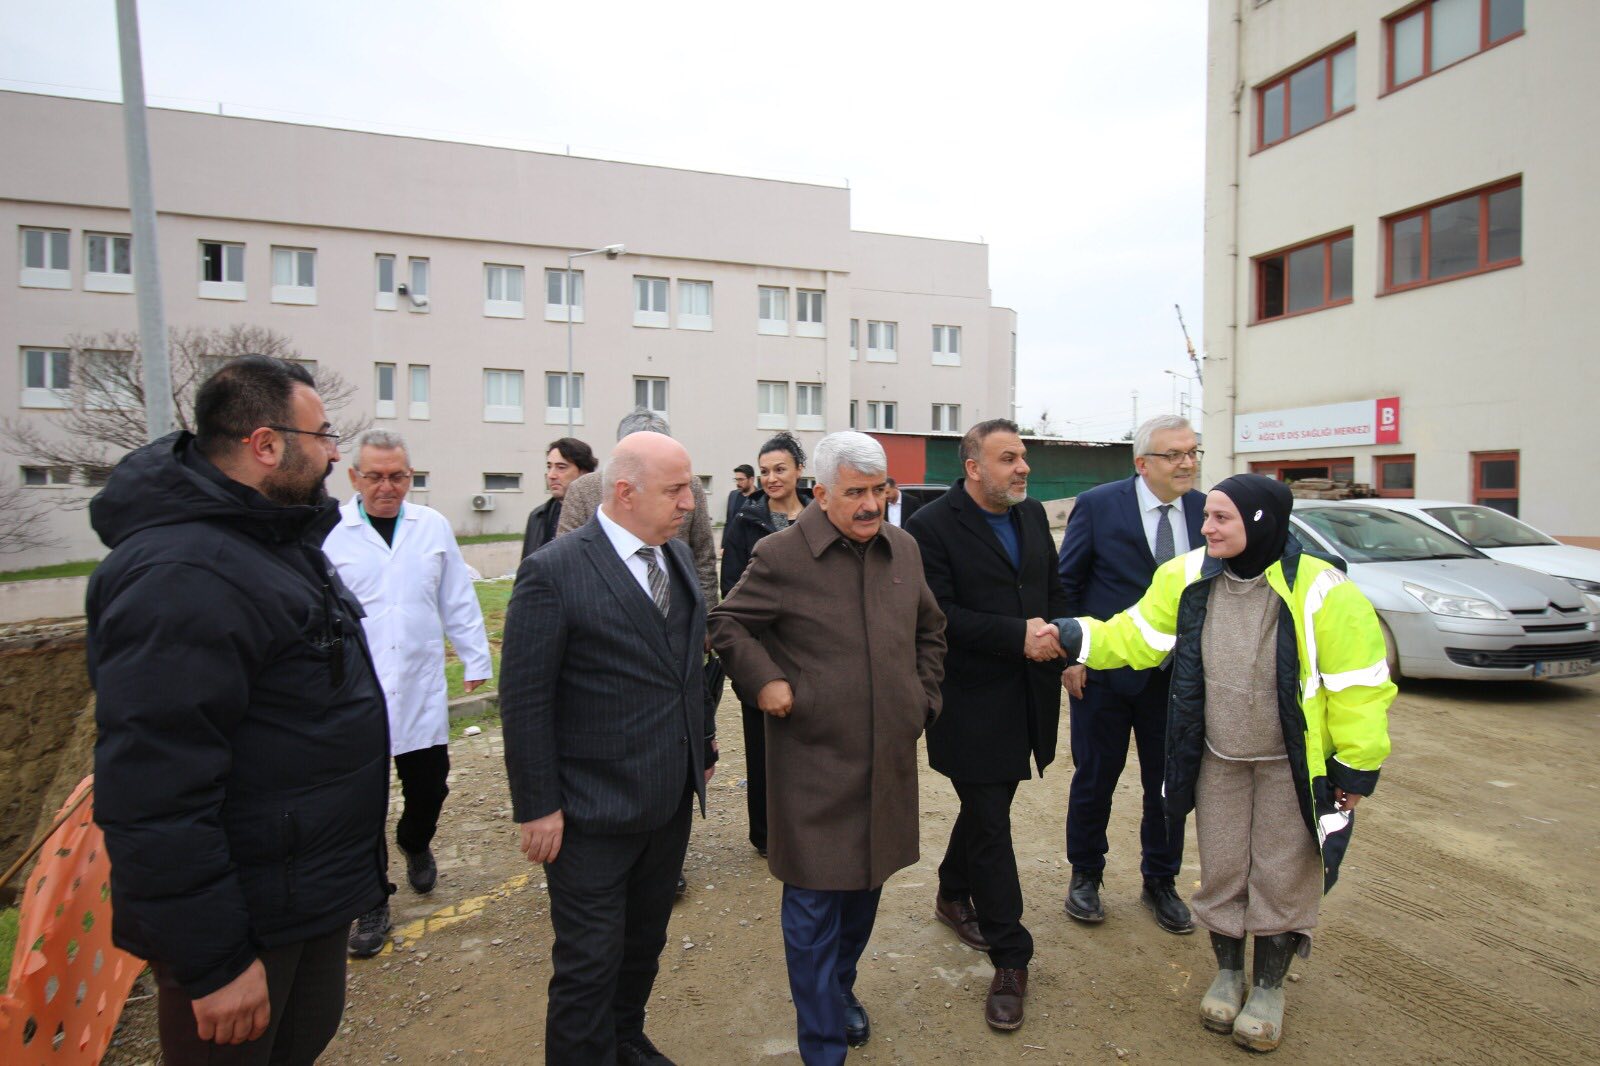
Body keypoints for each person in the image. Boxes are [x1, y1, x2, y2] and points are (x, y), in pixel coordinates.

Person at [87, 355, 389, 1065]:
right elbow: (157, 792)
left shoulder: (270, 540)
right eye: (323, 434)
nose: (335, 451)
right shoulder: (183, 575)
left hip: (297, 893)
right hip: (245, 916)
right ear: (265, 444)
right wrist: (213, 962)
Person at [1045, 473, 1394, 1053]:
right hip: (1217, 758)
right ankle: (1229, 974)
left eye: (1220, 518)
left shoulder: (1324, 591)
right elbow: (1138, 636)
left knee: (1283, 873)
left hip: (1291, 764)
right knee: (1226, 867)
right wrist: (1073, 635)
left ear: (1259, 521)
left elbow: (1359, 686)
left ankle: (1269, 989)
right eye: (1207, 517)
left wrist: (1355, 767)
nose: (1205, 527)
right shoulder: (1185, 575)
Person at [710, 431, 945, 1066]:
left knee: (866, 888)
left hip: (887, 760)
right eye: (855, 494)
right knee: (813, 902)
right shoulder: (781, 555)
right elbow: (726, 624)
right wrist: (768, 683)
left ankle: (839, 988)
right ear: (821, 493)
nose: (872, 505)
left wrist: (921, 700)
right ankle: (821, 1046)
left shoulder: (904, 548)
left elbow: (931, 630)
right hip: (813, 763)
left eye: (879, 490)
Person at [499, 431, 717, 1066]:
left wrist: (700, 745)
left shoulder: (672, 557)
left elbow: (685, 670)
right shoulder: (555, 570)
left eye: (692, 488)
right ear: (625, 491)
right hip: (589, 814)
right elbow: (525, 699)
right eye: (677, 491)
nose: (690, 504)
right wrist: (537, 806)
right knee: (588, 965)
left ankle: (624, 1038)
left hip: (667, 800)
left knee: (643, 944)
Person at [905, 418, 1067, 1032]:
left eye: (1023, 457)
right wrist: (1015, 635)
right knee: (993, 822)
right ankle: (1011, 955)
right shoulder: (931, 527)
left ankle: (951, 891)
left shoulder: (1029, 516)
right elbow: (938, 614)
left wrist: (1067, 650)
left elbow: (1049, 588)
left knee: (988, 804)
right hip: (969, 702)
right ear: (974, 466)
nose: (1023, 467)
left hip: (1027, 695)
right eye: (1008, 458)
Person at [324, 429, 494, 958]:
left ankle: (415, 841)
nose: (387, 486)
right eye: (375, 476)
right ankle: (371, 900)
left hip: (418, 684)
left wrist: (475, 655)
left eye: (398, 476)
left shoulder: (431, 527)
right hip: (353, 691)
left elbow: (456, 597)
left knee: (430, 788)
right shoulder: (331, 533)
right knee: (360, 804)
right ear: (354, 478)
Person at [1056, 414, 1206, 933]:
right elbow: (1067, 584)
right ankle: (1086, 875)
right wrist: (1074, 658)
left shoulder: (1207, 512)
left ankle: (1160, 881)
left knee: (1169, 784)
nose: (1186, 462)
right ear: (1142, 463)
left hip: (1177, 681)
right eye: (1174, 455)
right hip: (1105, 674)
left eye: (1192, 452)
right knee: (1095, 777)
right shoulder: (1100, 505)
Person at [718, 433, 813, 857]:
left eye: (780, 469)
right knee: (763, 751)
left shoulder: (820, 513)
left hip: (813, 653)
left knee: (812, 746)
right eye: (765, 471)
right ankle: (767, 836)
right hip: (764, 654)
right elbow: (733, 594)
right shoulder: (745, 520)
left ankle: (810, 826)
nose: (772, 478)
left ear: (798, 470)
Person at [555, 407, 717, 606]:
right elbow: (567, 562)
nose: (687, 503)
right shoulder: (583, 489)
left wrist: (706, 620)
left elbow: (703, 557)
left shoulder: (691, 487)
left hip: (674, 611)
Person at [522, 437, 597, 559]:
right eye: (549, 467)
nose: (551, 475)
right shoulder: (537, 516)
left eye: (561, 467)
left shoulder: (601, 516)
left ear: (584, 472)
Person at [724, 463, 757, 527]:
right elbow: (728, 522)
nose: (737, 483)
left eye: (741, 479)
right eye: (736, 479)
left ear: (751, 480)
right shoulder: (732, 495)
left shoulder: (761, 497)